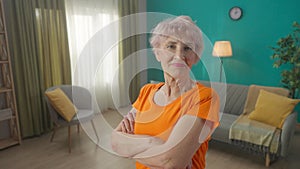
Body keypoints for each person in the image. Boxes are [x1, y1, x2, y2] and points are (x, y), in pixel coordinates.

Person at [111, 15, 220, 169]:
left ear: (195, 57)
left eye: (187, 48)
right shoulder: (147, 91)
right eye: (171, 46)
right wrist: (153, 143)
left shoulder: (204, 98)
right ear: (157, 53)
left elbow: (171, 162)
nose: (179, 55)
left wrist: (129, 148)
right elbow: (115, 141)